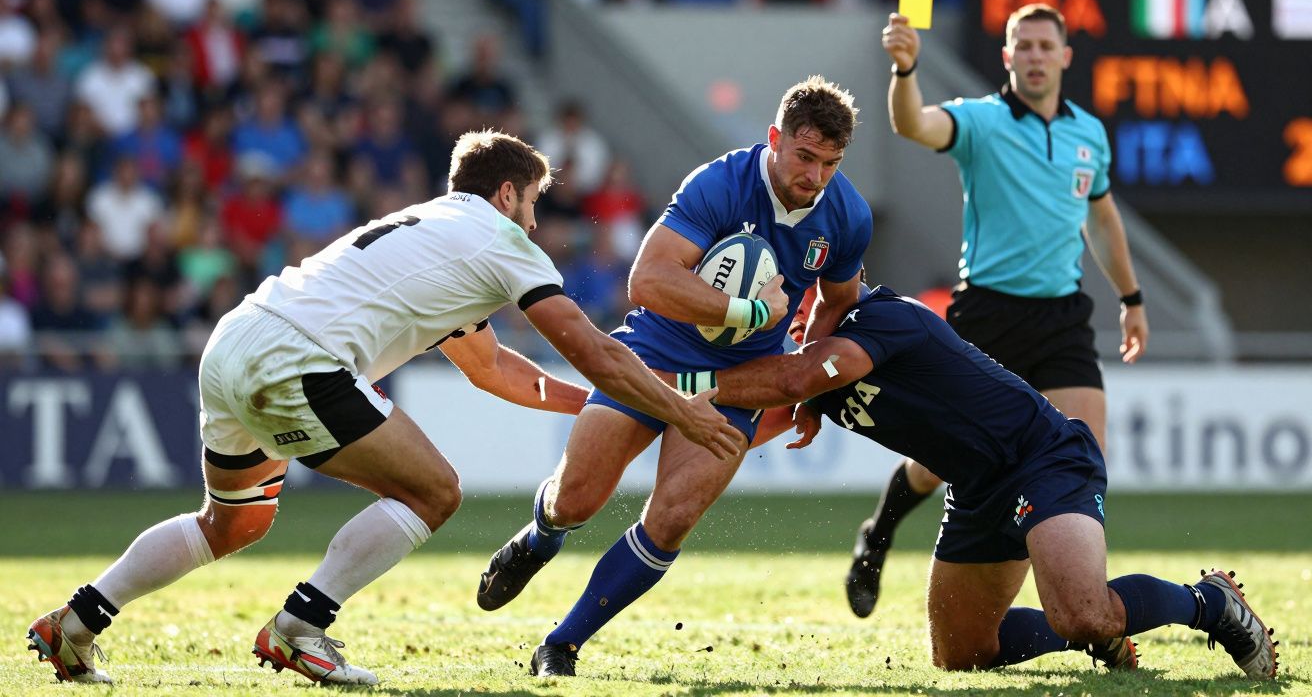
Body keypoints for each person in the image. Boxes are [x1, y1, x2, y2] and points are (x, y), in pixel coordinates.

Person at [25, 130, 742, 687]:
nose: (534, 221)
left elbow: (494, 370)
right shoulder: (501, 243)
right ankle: (301, 628)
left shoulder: (431, 228)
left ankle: (77, 622)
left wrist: (597, 405)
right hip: (299, 358)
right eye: (533, 204)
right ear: (506, 194)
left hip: (237, 339)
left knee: (233, 520)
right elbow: (596, 350)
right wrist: (678, 412)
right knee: (434, 491)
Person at [672, 283, 1278, 680]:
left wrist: (692, 384)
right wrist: (646, 407)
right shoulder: (811, 372)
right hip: (976, 491)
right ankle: (1103, 633)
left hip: (1041, 456)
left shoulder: (876, 317)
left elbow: (789, 383)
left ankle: (1209, 603)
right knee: (962, 656)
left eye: (794, 299)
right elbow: (741, 433)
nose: (791, 312)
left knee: (1082, 613)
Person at [476, 76, 874, 677]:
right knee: (575, 499)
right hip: (656, 354)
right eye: (805, 157)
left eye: (830, 163)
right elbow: (649, 281)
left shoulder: (847, 216)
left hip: (741, 377)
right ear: (775, 140)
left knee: (673, 516)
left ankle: (562, 643)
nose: (815, 177)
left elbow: (836, 304)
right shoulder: (720, 183)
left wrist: (808, 386)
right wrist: (750, 311)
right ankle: (540, 537)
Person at [847, 3, 1151, 618]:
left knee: (1085, 453)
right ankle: (877, 536)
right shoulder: (981, 122)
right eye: (1024, 45)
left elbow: (1103, 218)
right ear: (1008, 57)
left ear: (1065, 57)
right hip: (986, 317)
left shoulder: (1088, 133)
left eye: (1046, 45)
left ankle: (1082, 586)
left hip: (1061, 319)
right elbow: (914, 125)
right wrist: (905, 72)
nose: (1036, 55)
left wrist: (1132, 298)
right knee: (938, 466)